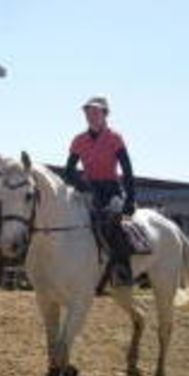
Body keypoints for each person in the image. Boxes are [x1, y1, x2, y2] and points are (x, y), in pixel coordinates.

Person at [64, 96, 135, 286]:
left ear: (105, 114)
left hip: (111, 190)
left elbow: (127, 170)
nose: (91, 115)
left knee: (114, 225)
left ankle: (122, 270)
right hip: (89, 189)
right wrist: (84, 187)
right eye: (87, 112)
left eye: (95, 112)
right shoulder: (79, 140)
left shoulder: (115, 138)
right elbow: (68, 171)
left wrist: (130, 199)